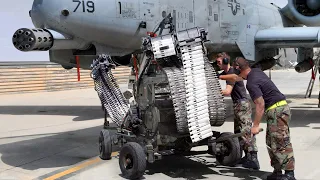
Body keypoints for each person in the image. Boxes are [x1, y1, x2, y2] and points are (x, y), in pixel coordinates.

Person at [220, 57, 296, 180]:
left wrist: (255, 126)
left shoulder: (251, 83)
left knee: (281, 142)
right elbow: (237, 78)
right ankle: (277, 172)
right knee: (271, 143)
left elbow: (260, 104)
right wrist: (219, 77)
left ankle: (289, 174)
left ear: (239, 69)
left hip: (278, 110)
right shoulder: (255, 71)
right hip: (275, 111)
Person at [215, 52, 260, 170]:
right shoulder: (227, 73)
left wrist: (215, 93)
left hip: (242, 104)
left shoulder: (231, 73)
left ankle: (253, 158)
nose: (217, 64)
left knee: (246, 131)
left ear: (225, 61)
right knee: (238, 132)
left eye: (219, 62)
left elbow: (228, 91)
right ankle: (246, 157)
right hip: (238, 104)